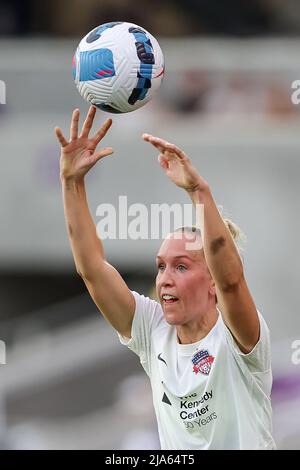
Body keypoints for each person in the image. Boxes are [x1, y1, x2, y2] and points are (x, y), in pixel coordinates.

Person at [55, 106, 276, 450]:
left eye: (182, 266)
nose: (165, 279)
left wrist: (198, 191)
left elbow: (232, 280)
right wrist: (72, 182)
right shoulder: (153, 330)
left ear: (212, 281)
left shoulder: (238, 337)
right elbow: (92, 269)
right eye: (161, 266)